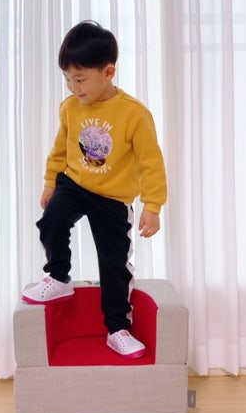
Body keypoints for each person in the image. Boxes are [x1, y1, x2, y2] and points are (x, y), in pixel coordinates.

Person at [21, 20, 167, 359]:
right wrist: (50, 183)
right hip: (74, 183)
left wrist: (152, 206)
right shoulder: (70, 107)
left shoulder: (134, 114)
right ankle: (59, 278)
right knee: (51, 220)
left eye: (80, 79)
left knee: (114, 263)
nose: (73, 88)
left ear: (108, 72)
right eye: (67, 79)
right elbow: (60, 149)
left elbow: (151, 163)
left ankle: (117, 329)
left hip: (113, 197)